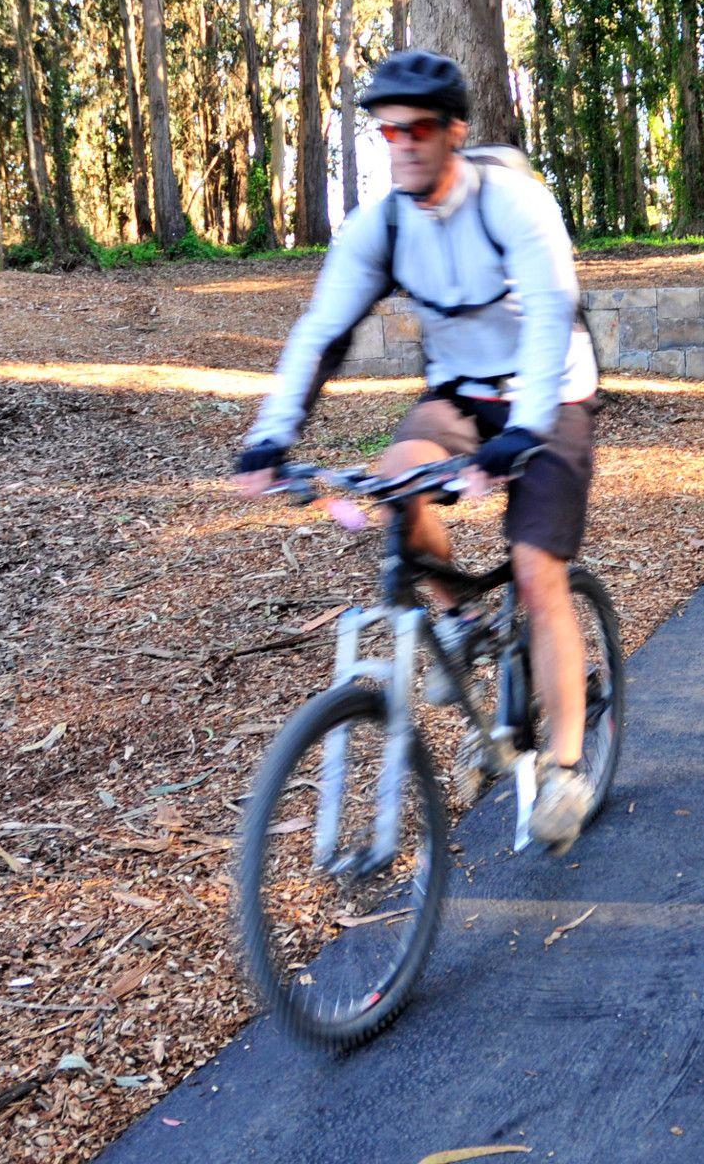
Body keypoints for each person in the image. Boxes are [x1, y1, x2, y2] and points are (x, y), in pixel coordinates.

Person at [230, 49, 603, 848]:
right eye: (386, 129)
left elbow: (547, 318)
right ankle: (462, 615)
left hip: (552, 393)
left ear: (454, 132)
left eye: (419, 127)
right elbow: (322, 330)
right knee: (397, 480)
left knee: (539, 572)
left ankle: (567, 767)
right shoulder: (384, 224)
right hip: (463, 392)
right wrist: (270, 433)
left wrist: (523, 435)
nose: (400, 142)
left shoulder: (513, 206)